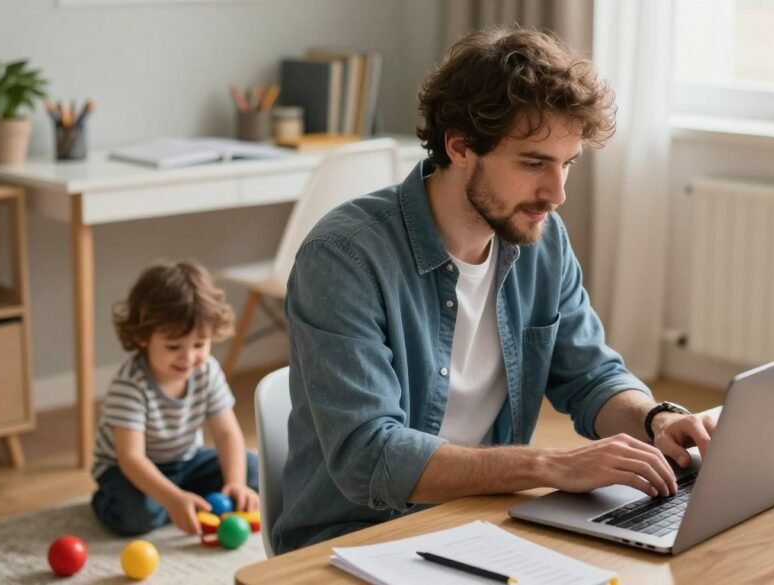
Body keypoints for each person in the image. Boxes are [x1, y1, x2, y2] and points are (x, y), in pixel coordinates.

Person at [274, 26, 716, 553]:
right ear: (459, 145)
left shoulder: (540, 241)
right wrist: (551, 465)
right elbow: (369, 456)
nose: (557, 194)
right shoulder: (344, 258)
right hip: (362, 537)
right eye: (534, 163)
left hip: (487, 519)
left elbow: (589, 375)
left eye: (567, 164)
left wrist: (654, 418)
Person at [91, 259, 260, 536]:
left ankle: (184, 498)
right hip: (128, 471)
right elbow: (131, 458)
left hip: (185, 461)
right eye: (173, 346)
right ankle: (113, 501)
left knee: (252, 468)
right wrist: (172, 499)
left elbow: (228, 435)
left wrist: (236, 483)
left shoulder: (206, 371)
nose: (188, 357)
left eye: (199, 344)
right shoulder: (130, 385)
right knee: (136, 517)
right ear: (143, 337)